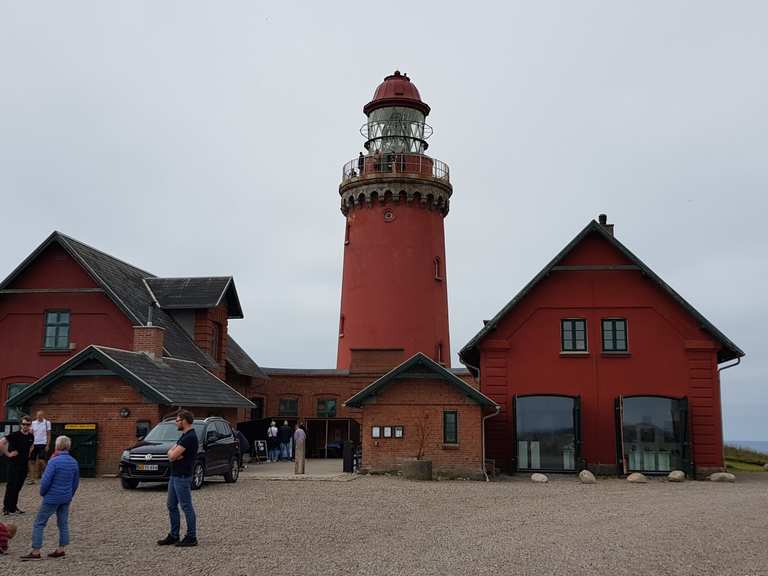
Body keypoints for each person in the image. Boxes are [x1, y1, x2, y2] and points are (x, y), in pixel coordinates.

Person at [20, 435, 79, 561]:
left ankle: (36, 551)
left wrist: (43, 493)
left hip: (52, 498)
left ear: (57, 446)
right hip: (66, 497)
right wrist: (70, 494)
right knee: (63, 522)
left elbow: (46, 481)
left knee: (39, 523)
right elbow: (75, 482)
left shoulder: (53, 462)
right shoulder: (74, 462)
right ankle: (61, 549)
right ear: (68, 446)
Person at [157, 410, 198, 548]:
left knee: (186, 506)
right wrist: (173, 453)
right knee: (171, 505)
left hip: (182, 476)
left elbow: (173, 456)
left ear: (184, 421)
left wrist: (173, 454)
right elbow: (171, 452)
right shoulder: (184, 436)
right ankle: (174, 535)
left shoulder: (189, 437)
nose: (176, 422)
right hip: (175, 475)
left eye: (177, 420)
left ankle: (191, 536)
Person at [3, 416, 34, 516]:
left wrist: (28, 453)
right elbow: (1, 443)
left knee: (18, 486)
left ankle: (13, 507)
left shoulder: (30, 436)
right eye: (24, 424)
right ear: (21, 424)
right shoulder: (15, 435)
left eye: (28, 424)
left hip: (23, 465)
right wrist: (8, 454)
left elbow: (31, 446)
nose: (26, 426)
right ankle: (6, 508)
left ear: (30, 425)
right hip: (13, 464)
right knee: (11, 485)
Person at [28, 411, 51, 485]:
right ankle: (32, 479)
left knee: (42, 461)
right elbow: (30, 434)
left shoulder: (47, 423)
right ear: (36, 416)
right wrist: (30, 445)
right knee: (31, 461)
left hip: (43, 444)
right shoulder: (33, 423)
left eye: (40, 416)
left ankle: (47, 476)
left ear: (43, 416)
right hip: (34, 444)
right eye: (38, 416)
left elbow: (48, 435)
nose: (39, 417)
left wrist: (47, 445)